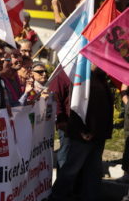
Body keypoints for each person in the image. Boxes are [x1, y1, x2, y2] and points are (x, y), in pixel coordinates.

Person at [50, 65, 114, 201]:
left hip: (97, 134)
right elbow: (75, 106)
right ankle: (56, 197)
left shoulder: (99, 76)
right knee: (71, 170)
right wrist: (79, 129)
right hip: (82, 133)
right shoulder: (75, 74)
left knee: (93, 172)